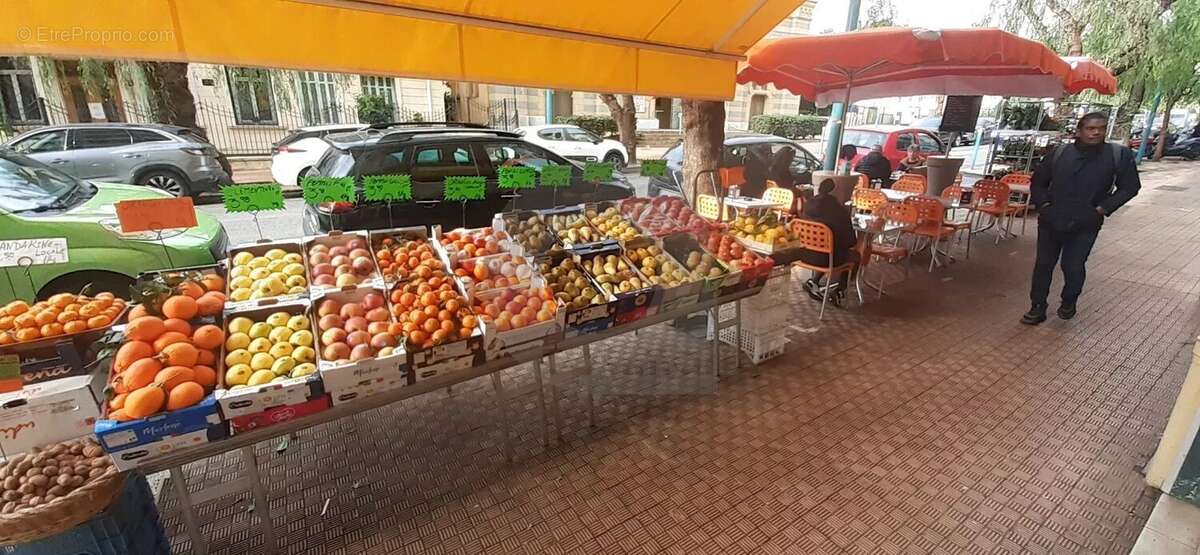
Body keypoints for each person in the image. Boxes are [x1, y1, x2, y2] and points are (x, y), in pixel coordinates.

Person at [1021, 112, 1141, 325]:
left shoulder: (1118, 156)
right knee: (1043, 264)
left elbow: (1130, 187)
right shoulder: (1059, 153)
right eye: (1090, 128)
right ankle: (1037, 306)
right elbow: (1038, 182)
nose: (1096, 132)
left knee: (1073, 265)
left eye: (1101, 128)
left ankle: (1069, 300)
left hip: (1086, 222)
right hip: (1052, 219)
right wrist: (1045, 206)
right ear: (1079, 130)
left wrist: (1102, 208)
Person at [799, 179, 859, 307]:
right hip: (827, 259)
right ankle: (839, 290)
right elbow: (851, 242)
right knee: (854, 256)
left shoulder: (808, 207)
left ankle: (814, 281)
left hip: (804, 255)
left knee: (827, 249)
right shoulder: (840, 211)